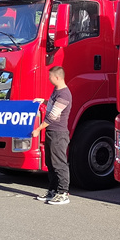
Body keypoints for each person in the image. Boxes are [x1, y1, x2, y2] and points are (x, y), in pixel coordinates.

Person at [32, 66, 73, 205]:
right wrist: (42, 101)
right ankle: (53, 191)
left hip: (58, 133)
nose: (48, 79)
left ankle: (63, 193)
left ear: (57, 77)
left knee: (59, 163)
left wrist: (38, 129)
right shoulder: (57, 91)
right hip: (51, 132)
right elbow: (52, 106)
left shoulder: (64, 94)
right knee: (50, 163)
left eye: (50, 77)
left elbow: (52, 116)